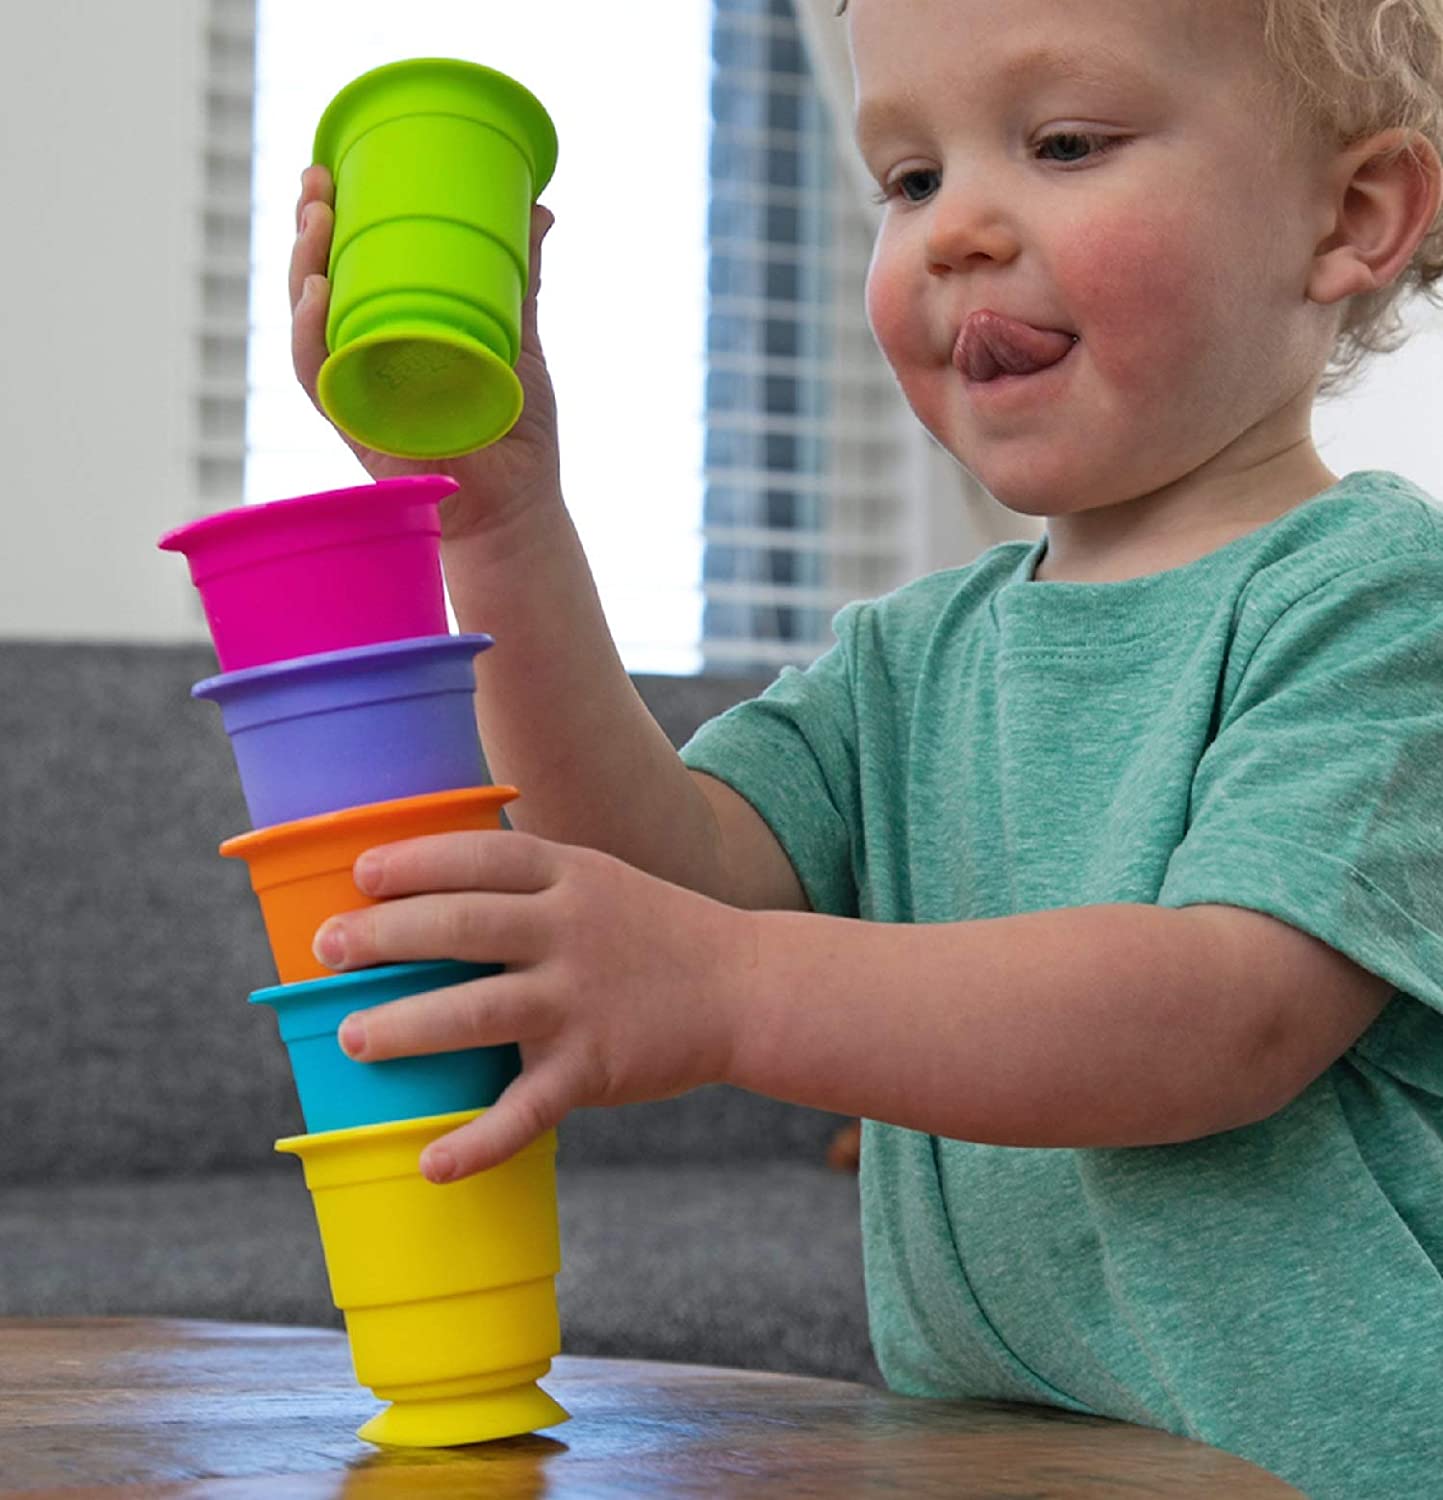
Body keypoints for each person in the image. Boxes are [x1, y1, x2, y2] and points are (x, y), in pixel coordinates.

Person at [288, 1, 1443, 1492]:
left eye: (1064, 144)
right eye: (910, 178)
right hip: (1004, 1459)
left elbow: (1226, 1019)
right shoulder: (908, 659)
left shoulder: (1379, 602)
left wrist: (728, 988)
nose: (955, 229)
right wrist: (498, 519)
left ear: (1355, 216)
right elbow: (659, 870)